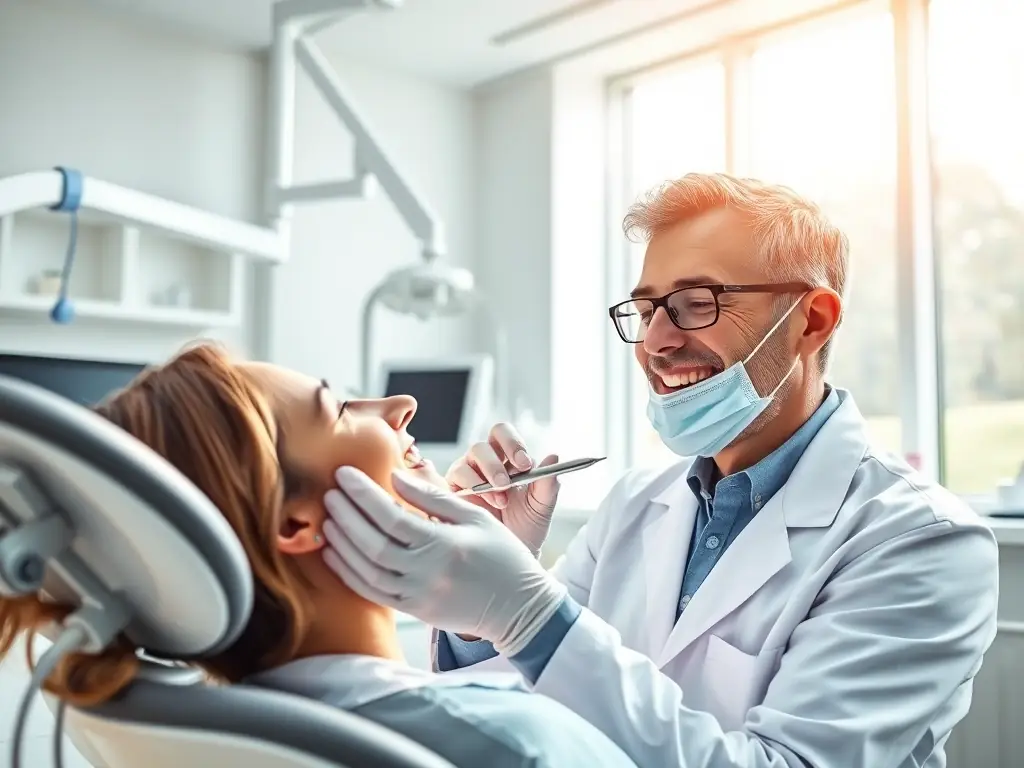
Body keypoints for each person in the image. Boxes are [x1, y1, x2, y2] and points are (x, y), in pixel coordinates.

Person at [319, 173, 1001, 768]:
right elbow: (530, 713)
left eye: (696, 303)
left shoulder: (923, 541)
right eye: (646, 309)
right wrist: (484, 613)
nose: (655, 342)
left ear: (812, 321)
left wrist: (527, 611)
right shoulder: (635, 503)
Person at [0, 343, 637, 768]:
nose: (399, 406)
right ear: (295, 521)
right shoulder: (516, 746)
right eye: (337, 409)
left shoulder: (241, 734)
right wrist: (528, 612)